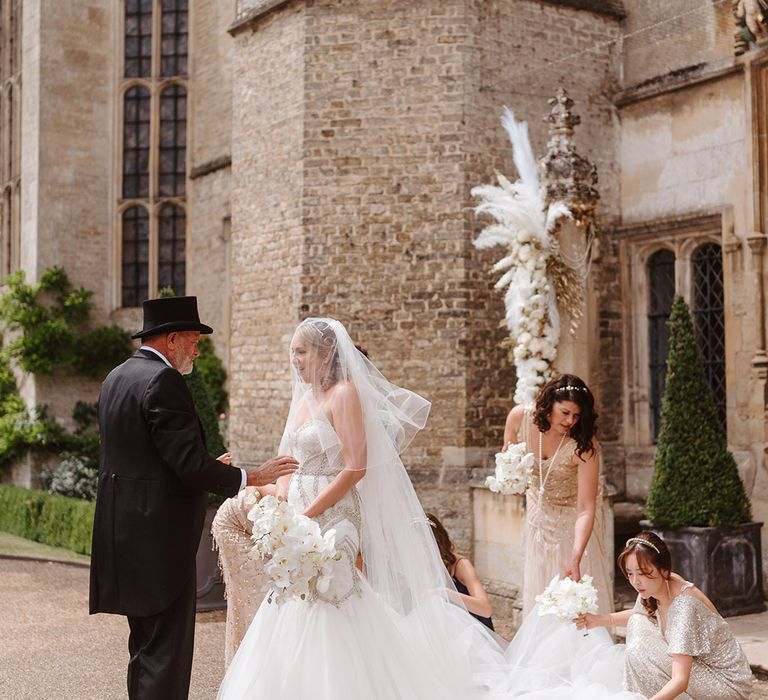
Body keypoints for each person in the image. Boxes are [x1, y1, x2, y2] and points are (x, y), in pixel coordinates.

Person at [217, 317, 514, 700]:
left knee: (331, 593)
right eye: (293, 352)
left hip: (337, 514)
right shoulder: (305, 401)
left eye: (301, 352)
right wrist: (286, 511)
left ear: (325, 355)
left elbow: (355, 466)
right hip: (298, 514)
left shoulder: (345, 394)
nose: (295, 360)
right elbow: (290, 461)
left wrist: (309, 514)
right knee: (295, 595)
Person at [89, 296, 297, 700]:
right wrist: (252, 475)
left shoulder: (117, 376)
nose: (198, 349)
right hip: (158, 543)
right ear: (171, 340)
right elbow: (185, 465)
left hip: (124, 534)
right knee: (166, 655)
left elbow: (145, 457)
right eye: (194, 340)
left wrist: (202, 464)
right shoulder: (164, 381)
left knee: (145, 649)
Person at [576, 532, 753, 699]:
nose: (636, 581)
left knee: (640, 644)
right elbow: (641, 615)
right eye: (630, 573)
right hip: (702, 671)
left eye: (644, 572)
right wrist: (597, 620)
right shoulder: (658, 585)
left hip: (725, 683)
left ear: (664, 570)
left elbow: (680, 680)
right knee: (638, 624)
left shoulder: (683, 606)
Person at [503, 373, 613, 615]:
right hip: (538, 517)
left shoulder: (585, 446)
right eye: (565, 412)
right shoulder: (519, 418)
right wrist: (512, 482)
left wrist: (576, 555)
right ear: (549, 404)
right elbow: (507, 459)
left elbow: (586, 507)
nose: (570, 421)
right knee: (540, 589)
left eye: (576, 415)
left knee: (572, 594)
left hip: (572, 522)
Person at [426, 512, 495, 630]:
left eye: (425, 545)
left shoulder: (461, 565)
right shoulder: (415, 568)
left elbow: (485, 609)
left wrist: (445, 593)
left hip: (471, 630)